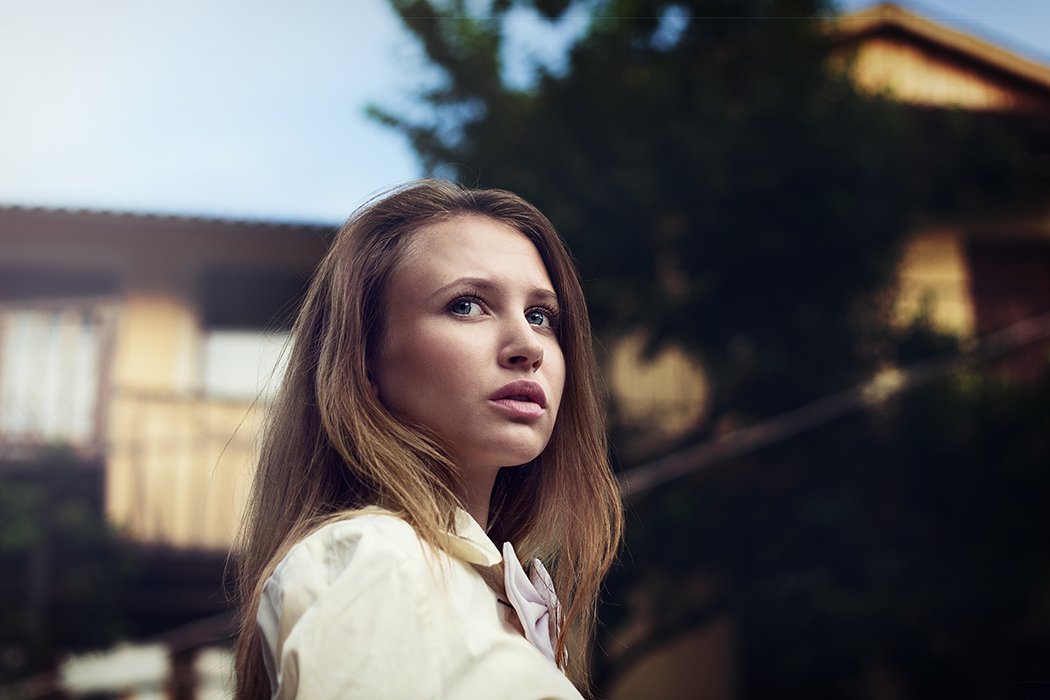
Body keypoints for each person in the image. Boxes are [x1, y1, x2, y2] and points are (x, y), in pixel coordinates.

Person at [233, 180, 624, 699]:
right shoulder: (380, 559)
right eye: (466, 306)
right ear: (364, 358)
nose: (528, 345)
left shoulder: (485, 587)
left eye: (540, 316)